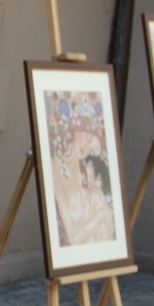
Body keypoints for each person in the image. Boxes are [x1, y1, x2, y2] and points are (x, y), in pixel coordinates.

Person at [46, 90, 116, 247]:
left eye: (91, 150)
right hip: (76, 247)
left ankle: (108, 262)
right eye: (89, 138)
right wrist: (100, 215)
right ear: (76, 126)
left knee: (97, 195)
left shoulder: (83, 171)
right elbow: (74, 238)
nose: (86, 147)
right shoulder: (55, 167)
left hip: (92, 248)